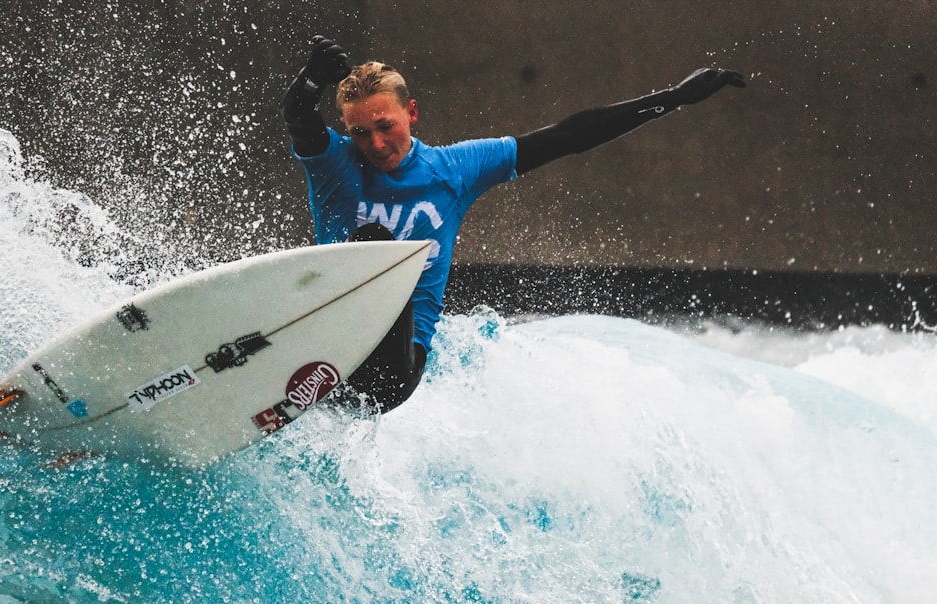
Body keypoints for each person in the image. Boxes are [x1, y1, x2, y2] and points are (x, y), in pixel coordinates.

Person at [281, 36, 745, 413]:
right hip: (328, 343)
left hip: (393, 373)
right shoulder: (335, 165)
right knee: (365, 246)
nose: (376, 143)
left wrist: (673, 99)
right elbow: (300, 121)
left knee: (376, 243)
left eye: (385, 126)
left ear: (412, 113)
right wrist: (308, 84)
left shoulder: (455, 170)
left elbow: (569, 136)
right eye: (360, 132)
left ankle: (314, 377)